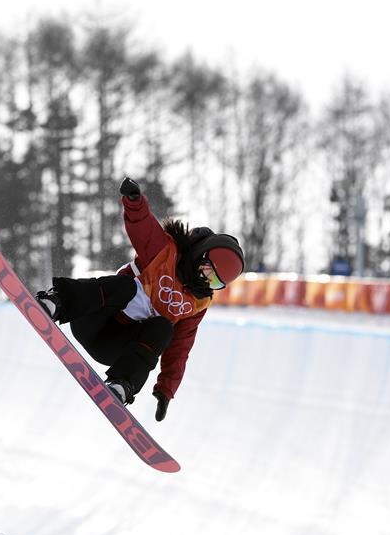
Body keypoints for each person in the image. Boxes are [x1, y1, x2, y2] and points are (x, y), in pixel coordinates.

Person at [35, 177, 245, 422]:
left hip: (114, 348)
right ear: (199, 255)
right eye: (206, 272)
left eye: (215, 283)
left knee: (164, 328)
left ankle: (123, 384)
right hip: (91, 318)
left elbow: (180, 347)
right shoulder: (165, 254)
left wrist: (166, 389)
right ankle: (58, 302)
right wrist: (135, 202)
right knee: (126, 286)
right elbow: (143, 229)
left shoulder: (196, 303)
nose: (205, 282)